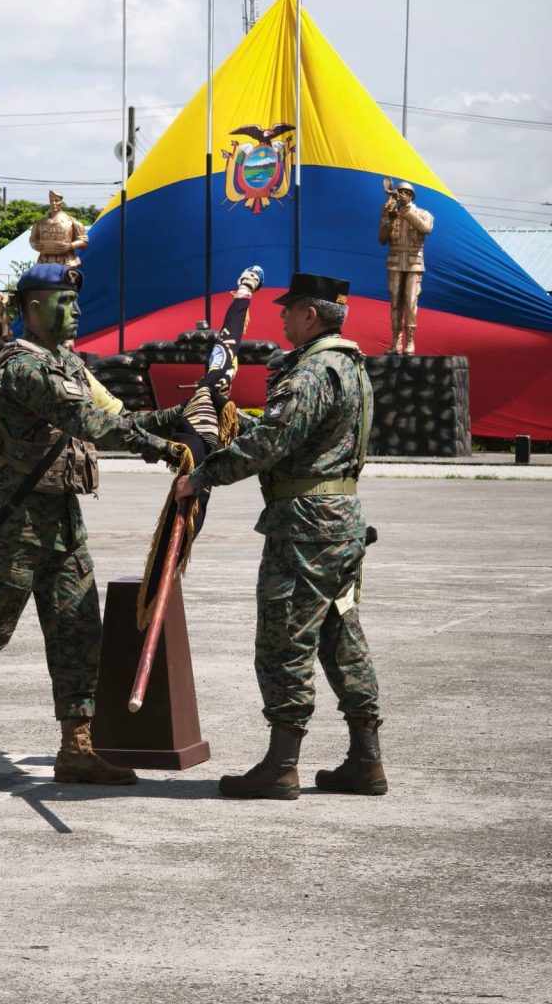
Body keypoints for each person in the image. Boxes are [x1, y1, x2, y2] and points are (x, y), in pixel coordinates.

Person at [0, 263, 182, 789]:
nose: (76, 312)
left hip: (62, 517)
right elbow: (90, 423)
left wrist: (178, 416)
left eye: (75, 301)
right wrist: (160, 448)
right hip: (15, 521)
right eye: (63, 302)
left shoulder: (65, 361)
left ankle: (77, 747)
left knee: (77, 627)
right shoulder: (22, 367)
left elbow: (114, 412)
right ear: (33, 310)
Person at [174, 273, 387, 801]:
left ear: (310, 315)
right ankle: (366, 759)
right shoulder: (351, 366)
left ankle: (281, 764)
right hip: (340, 518)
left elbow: (274, 442)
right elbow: (294, 435)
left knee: (284, 637)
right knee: (340, 635)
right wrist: (233, 421)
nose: (282, 316)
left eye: (289, 310)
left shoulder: (313, 370)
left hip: (305, 524)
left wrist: (199, 476)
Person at [378, 179, 434, 355]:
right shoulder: (392, 213)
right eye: (399, 192)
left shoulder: (424, 214)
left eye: (404, 193)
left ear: (410, 196)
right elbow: (382, 239)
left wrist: (406, 210)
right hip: (395, 263)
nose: (400, 196)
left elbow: (425, 228)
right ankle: (396, 341)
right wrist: (387, 215)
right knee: (395, 303)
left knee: (410, 303)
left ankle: (410, 342)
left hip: (413, 264)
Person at [29, 190, 89, 267]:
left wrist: (70, 245)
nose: (54, 203)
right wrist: (34, 244)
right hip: (44, 261)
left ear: (62, 203)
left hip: (67, 261)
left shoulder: (72, 222)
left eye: (56, 201)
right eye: (51, 201)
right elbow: (32, 240)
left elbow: (84, 242)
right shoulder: (40, 223)